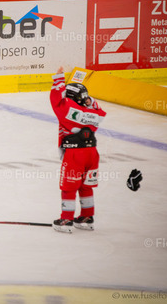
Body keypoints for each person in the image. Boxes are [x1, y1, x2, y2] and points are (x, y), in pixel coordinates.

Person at [50, 67, 107, 233]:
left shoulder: (66, 110)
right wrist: (89, 101)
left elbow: (55, 99)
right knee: (86, 185)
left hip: (75, 154)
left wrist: (59, 79)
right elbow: (99, 109)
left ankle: (66, 219)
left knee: (69, 187)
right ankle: (87, 217)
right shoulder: (95, 112)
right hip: (92, 153)